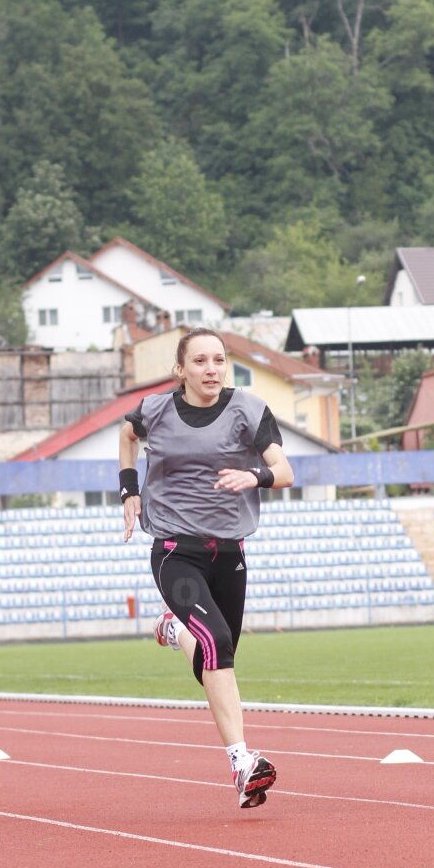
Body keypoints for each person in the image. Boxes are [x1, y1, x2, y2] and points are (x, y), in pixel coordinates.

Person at [119, 329, 294, 809]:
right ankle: (241, 763)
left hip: (230, 552)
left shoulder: (249, 410)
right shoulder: (155, 410)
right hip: (176, 550)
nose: (212, 369)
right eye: (200, 361)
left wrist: (252, 474)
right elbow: (126, 434)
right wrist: (128, 490)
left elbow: (284, 471)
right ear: (182, 369)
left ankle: (175, 634)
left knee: (217, 658)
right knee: (216, 641)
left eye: (219, 360)